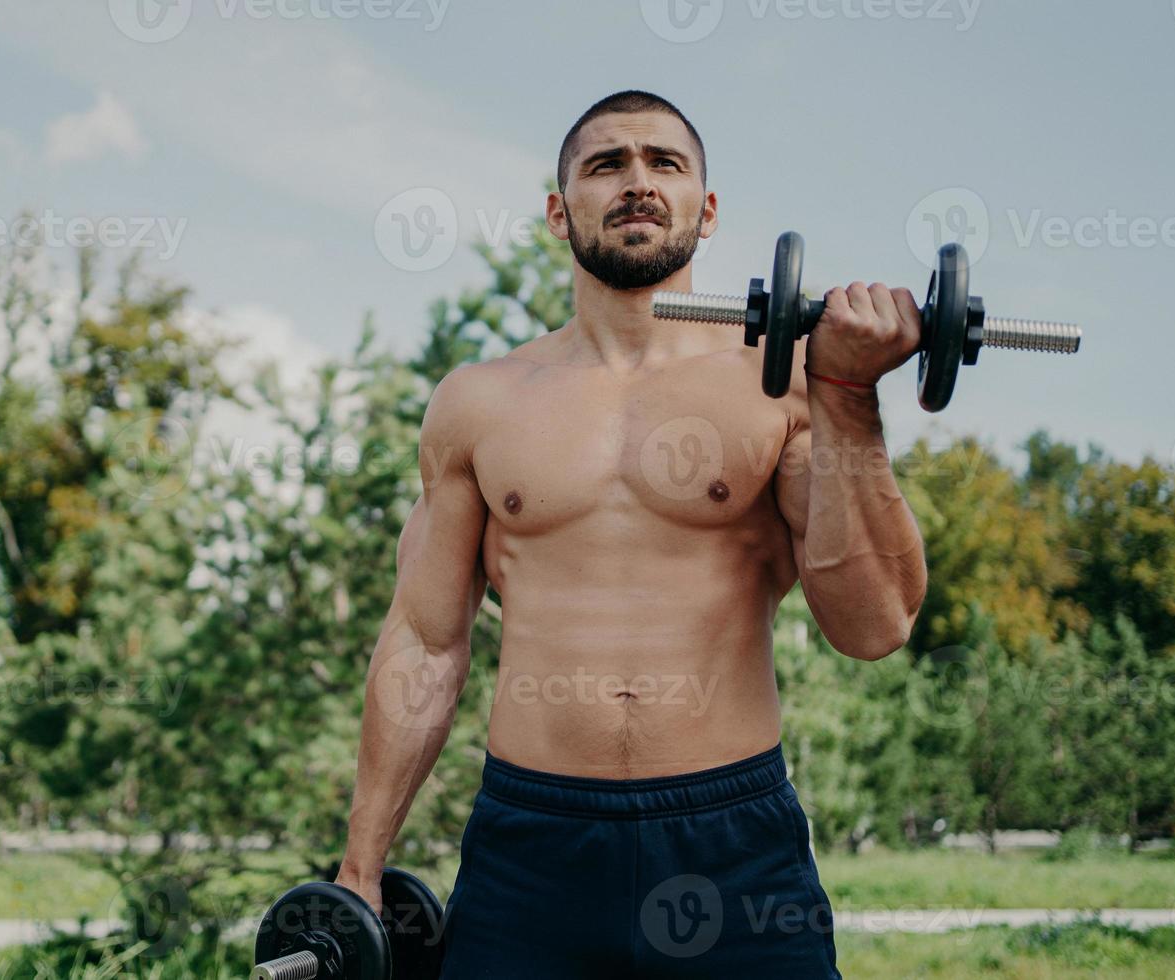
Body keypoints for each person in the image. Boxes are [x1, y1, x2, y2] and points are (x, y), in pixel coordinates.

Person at [334, 89, 927, 978]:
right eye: (606, 164)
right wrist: (358, 871)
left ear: (707, 208)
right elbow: (424, 642)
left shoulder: (787, 385)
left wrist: (849, 398)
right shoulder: (479, 401)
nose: (637, 182)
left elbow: (875, 626)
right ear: (558, 210)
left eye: (665, 163)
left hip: (734, 844)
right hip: (529, 851)